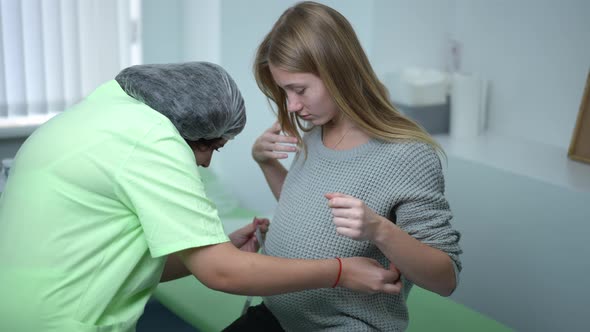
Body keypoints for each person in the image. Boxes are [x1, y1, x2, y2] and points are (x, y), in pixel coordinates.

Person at [0, 62, 402, 332]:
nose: (206, 164)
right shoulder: (151, 140)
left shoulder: (95, 116)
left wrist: (218, 248)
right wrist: (341, 271)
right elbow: (222, 274)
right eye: (211, 146)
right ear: (187, 125)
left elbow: (116, 261)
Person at [226, 2, 463, 331]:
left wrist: (380, 230)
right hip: (277, 316)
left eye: (300, 90)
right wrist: (266, 164)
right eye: (285, 91)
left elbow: (445, 278)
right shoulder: (315, 133)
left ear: (337, 70)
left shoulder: (408, 154)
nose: (293, 105)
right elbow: (313, 214)